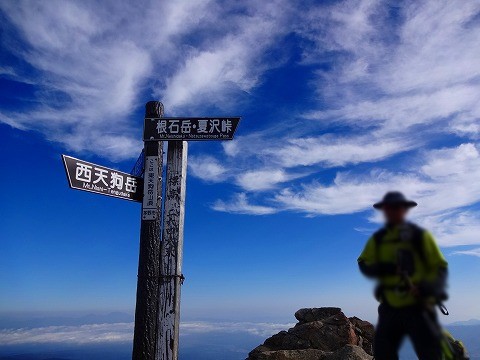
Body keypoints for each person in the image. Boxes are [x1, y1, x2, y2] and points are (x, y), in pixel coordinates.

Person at [358, 191, 448, 360]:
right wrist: (385, 268)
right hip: (389, 307)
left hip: (419, 306)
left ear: (404, 210)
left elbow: (440, 267)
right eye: (388, 208)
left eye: (396, 207)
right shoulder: (378, 239)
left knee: (430, 355)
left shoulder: (421, 236)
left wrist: (426, 288)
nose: (392, 211)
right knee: (384, 353)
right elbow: (363, 263)